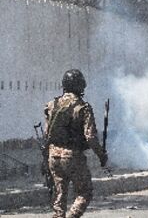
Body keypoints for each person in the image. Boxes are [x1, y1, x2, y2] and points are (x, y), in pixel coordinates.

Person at [44, 69, 107, 218]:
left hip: (53, 155)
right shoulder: (82, 107)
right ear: (80, 85)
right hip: (72, 156)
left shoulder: (52, 105)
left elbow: (47, 133)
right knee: (85, 192)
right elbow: (90, 137)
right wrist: (101, 155)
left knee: (59, 195)